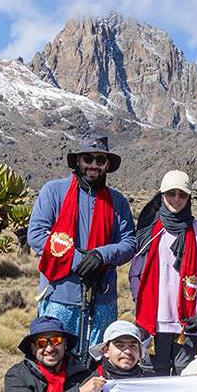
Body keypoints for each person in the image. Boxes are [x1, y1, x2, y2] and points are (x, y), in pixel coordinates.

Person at [27, 135, 137, 356]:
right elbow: (37, 234)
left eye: (100, 160)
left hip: (102, 295)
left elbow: (129, 242)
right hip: (59, 293)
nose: (93, 165)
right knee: (55, 357)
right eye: (88, 158)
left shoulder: (117, 202)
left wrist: (101, 255)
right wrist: (79, 261)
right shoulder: (54, 192)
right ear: (78, 161)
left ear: (107, 165)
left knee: (97, 358)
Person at [130, 170, 197, 375]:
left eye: (182, 194)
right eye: (171, 193)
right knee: (153, 376)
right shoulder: (149, 231)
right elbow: (135, 271)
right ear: (162, 195)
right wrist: (138, 301)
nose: (176, 199)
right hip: (153, 320)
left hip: (187, 321)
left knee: (184, 374)